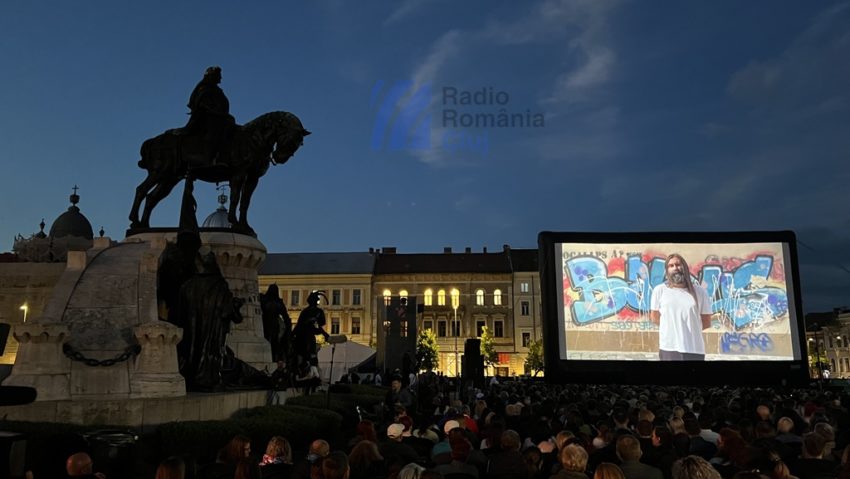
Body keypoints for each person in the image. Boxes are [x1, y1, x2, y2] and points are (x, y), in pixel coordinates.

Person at [650, 253, 713, 361]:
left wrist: (688, 329)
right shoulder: (659, 291)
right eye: (671, 266)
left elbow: (706, 321)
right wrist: (672, 327)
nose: (675, 268)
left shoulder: (700, 292)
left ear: (685, 267)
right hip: (669, 348)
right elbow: (655, 317)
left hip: (694, 349)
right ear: (667, 271)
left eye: (678, 264)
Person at [183, 66, 236, 167]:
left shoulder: (215, 89)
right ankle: (208, 160)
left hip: (219, 118)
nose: (220, 78)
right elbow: (203, 104)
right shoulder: (204, 88)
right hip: (207, 118)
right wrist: (218, 113)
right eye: (218, 76)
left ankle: (225, 156)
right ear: (212, 76)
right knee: (213, 133)